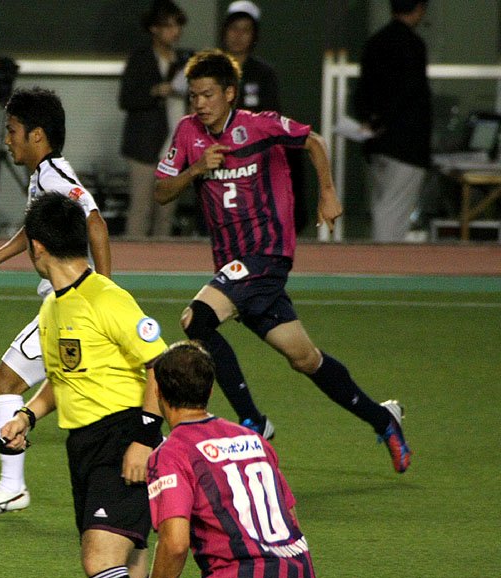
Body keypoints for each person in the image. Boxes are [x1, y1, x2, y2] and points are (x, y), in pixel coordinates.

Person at [154, 49, 414, 473]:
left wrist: (327, 192)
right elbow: (162, 191)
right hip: (235, 267)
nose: (199, 103)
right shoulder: (188, 133)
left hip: (266, 255)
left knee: (196, 320)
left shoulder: (259, 126)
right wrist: (196, 169)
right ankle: (383, 419)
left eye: (207, 94)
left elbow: (313, 140)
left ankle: (253, 421)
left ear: (230, 93)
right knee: (305, 359)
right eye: (194, 96)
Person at [0, 191, 169, 578]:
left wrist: (145, 437)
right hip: (84, 448)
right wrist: (27, 415)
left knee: (99, 560)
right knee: (130, 576)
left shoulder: (107, 298)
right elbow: (62, 379)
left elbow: (160, 364)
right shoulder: (53, 309)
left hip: (124, 437)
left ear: (37, 247)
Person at [117, 341, 351, 578]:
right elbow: (288, 521)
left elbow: (175, 544)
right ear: (210, 390)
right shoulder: (254, 441)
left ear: (158, 392)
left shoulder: (172, 453)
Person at [0, 87, 112, 517]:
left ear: (37, 135)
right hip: (66, 305)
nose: (7, 139)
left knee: (5, 384)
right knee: (98, 394)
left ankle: (12, 488)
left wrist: (104, 291)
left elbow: (95, 222)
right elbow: (34, 228)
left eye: (12, 130)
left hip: (68, 307)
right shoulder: (45, 176)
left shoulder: (54, 179)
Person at [220, 0, 309, 235]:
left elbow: (270, 118)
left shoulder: (264, 73)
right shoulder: (211, 69)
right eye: (234, 29)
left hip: (253, 153)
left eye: (245, 30)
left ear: (254, 36)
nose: (238, 36)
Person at [356, 0, 431, 243]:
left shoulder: (376, 42)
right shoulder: (413, 45)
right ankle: (382, 263)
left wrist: (371, 123)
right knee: (391, 214)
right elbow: (408, 94)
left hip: (377, 143)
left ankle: (381, 259)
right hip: (406, 145)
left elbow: (363, 92)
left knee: (384, 206)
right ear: (419, 8)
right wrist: (386, 121)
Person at [118, 0, 192, 238]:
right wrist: (155, 91)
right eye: (169, 26)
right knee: (141, 208)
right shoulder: (141, 58)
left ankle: (162, 256)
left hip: (174, 146)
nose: (175, 32)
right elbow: (126, 99)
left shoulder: (184, 60)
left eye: (178, 26)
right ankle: (133, 257)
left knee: (166, 212)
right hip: (144, 144)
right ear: (154, 28)